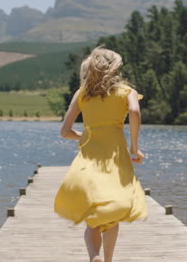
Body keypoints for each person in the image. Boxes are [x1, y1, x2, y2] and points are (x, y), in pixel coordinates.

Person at [54, 46, 147, 262]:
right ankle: (107, 260)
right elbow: (134, 111)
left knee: (93, 219)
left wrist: (87, 135)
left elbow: (65, 132)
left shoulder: (83, 94)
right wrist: (135, 147)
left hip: (88, 161)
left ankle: (94, 255)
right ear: (115, 69)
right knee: (112, 216)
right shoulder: (126, 92)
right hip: (115, 160)